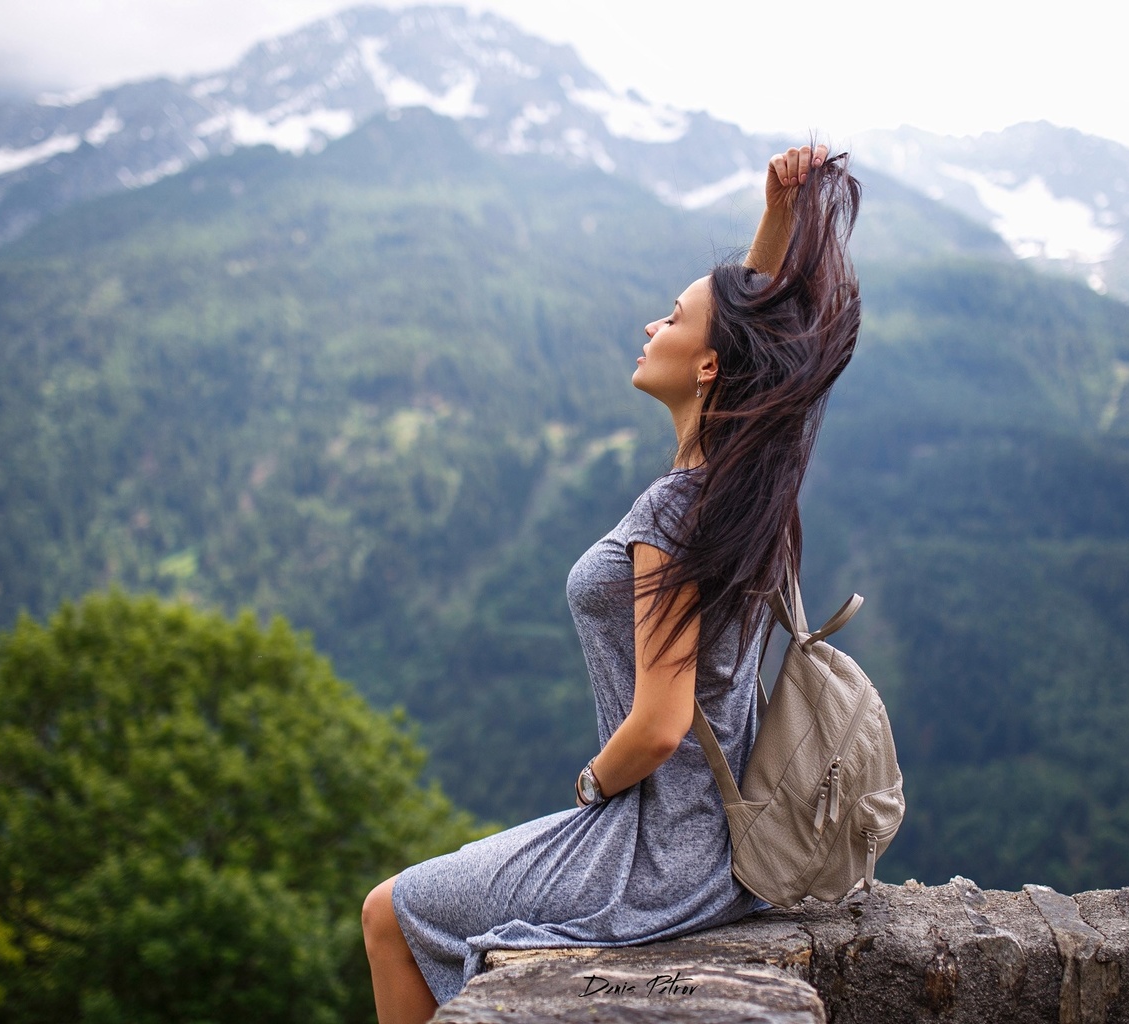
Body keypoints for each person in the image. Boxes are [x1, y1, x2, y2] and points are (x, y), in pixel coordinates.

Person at [361, 141, 862, 1023]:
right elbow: (745, 330)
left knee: (390, 912)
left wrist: (592, 783)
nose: (650, 327)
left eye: (670, 319)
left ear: (708, 366)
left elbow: (661, 726)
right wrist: (778, 219)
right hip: (720, 850)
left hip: (657, 856)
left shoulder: (678, 515)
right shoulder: (745, 495)